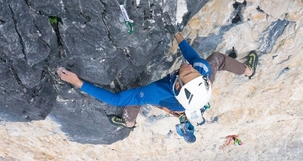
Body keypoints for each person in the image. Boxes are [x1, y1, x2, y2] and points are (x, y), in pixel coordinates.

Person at [57, 32, 258, 143]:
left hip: (173, 102)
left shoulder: (157, 93)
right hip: (195, 97)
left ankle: (129, 124)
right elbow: (191, 57)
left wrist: (78, 83)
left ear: (177, 85)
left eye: (187, 73)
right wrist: (177, 35)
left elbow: (115, 99)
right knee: (217, 59)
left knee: (134, 98)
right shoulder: (201, 70)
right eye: (194, 73)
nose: (189, 68)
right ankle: (248, 71)